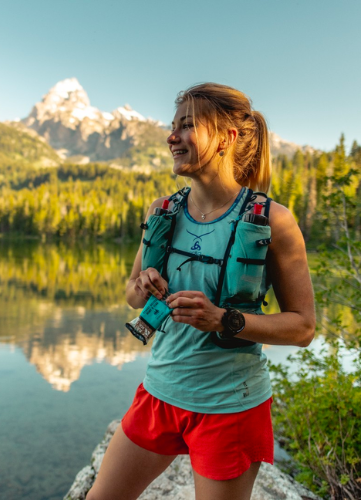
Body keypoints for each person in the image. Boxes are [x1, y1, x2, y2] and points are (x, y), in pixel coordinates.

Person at [86, 83, 316, 500]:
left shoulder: (273, 222)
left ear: (226, 138)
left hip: (230, 409)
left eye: (187, 126)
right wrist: (142, 286)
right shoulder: (163, 210)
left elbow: (302, 329)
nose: (172, 136)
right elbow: (133, 296)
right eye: (172, 126)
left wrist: (224, 319)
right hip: (158, 395)